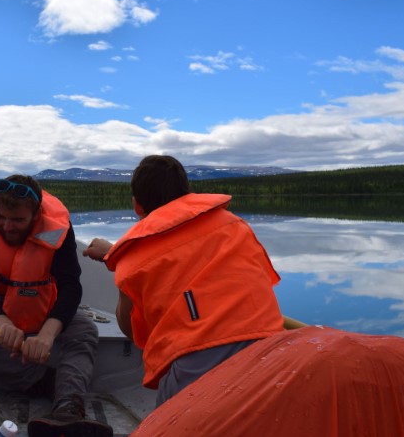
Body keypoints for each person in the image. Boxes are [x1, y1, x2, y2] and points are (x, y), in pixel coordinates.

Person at [83, 155, 284, 407]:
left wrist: (119, 257)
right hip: (272, 354)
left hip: (197, 372)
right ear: (187, 194)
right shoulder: (236, 226)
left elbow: (133, 333)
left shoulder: (131, 262)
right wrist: (116, 254)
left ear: (136, 205)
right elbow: (190, 258)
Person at [0, 175, 112, 437]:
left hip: (44, 307)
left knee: (86, 331)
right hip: (0, 307)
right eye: (1, 217)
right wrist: (2, 323)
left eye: (17, 220)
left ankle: (68, 408)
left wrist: (47, 334)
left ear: (36, 215)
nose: (7, 226)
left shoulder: (59, 230)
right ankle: (42, 382)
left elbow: (70, 288)